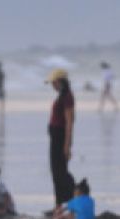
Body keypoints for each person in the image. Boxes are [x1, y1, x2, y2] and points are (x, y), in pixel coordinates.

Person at [47, 68, 76, 207]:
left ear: (60, 82)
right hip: (55, 136)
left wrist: (67, 145)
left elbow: (70, 122)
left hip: (60, 137)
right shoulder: (61, 95)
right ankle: (59, 204)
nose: (52, 85)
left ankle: (69, 199)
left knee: (60, 173)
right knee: (56, 172)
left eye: (54, 82)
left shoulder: (67, 97)